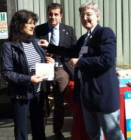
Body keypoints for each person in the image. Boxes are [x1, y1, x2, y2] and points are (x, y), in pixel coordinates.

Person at [38, 1, 125, 140]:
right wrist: (50, 46)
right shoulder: (84, 39)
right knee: (93, 134)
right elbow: (71, 51)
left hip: (102, 95)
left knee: (112, 134)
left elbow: (108, 60)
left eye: (88, 14)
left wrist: (81, 62)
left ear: (98, 16)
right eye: (82, 15)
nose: (85, 18)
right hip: (87, 96)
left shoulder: (104, 33)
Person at [1, 10, 54, 140]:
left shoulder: (36, 42)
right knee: (21, 130)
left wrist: (50, 63)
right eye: (29, 23)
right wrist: (29, 79)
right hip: (21, 93)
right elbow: (6, 72)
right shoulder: (9, 46)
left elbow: (40, 66)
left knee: (38, 128)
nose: (33, 26)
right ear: (19, 25)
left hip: (38, 92)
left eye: (34, 23)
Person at [35, 3, 77, 140]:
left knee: (59, 102)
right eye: (50, 14)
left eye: (56, 14)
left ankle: (57, 131)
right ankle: (40, 132)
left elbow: (73, 51)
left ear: (61, 16)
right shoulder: (38, 29)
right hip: (43, 69)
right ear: (47, 15)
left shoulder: (69, 30)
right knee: (41, 101)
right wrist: (45, 58)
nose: (53, 17)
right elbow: (34, 49)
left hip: (61, 70)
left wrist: (57, 56)